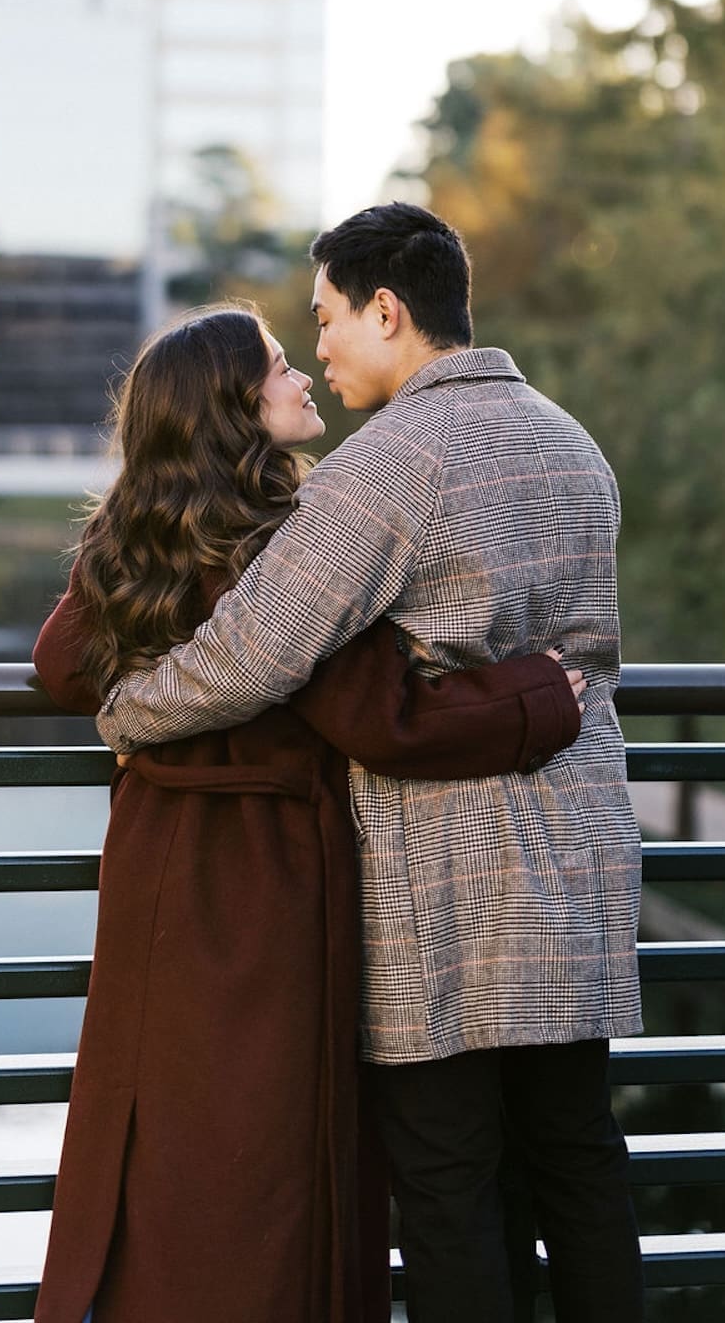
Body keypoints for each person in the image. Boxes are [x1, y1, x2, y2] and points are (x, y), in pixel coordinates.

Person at [97, 204, 646, 1323]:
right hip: (581, 862)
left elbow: (251, 654)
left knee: (446, 1189)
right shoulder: (570, 440)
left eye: (327, 319)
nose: (323, 350)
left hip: (439, 882)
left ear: (386, 310)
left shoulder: (384, 468)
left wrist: (131, 710)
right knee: (577, 1162)